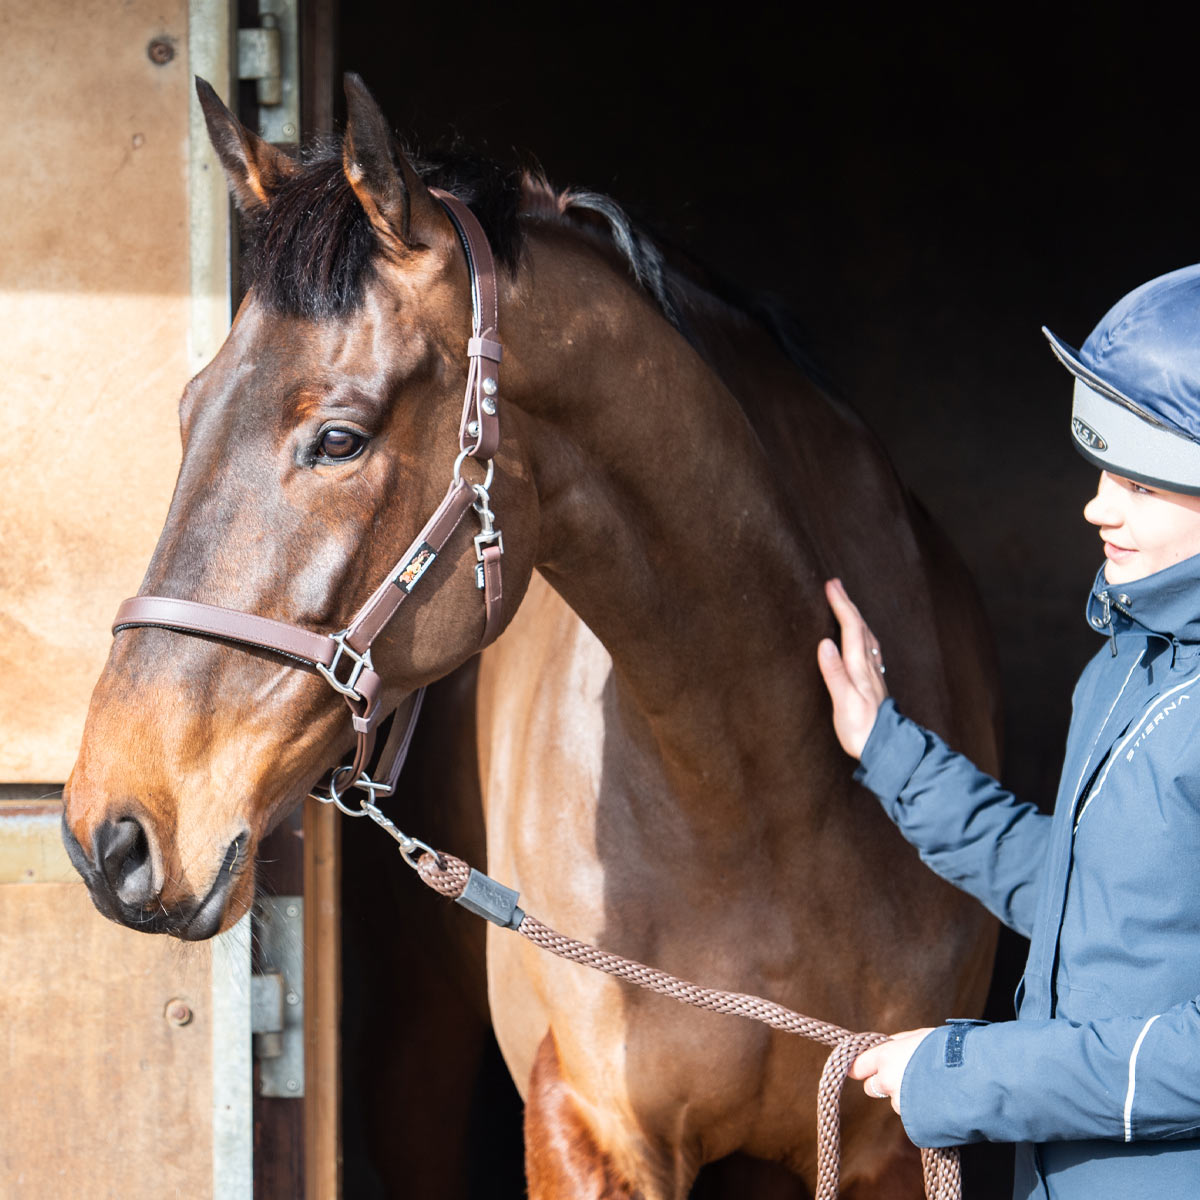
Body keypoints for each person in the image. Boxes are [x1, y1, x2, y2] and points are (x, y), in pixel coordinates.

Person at [817, 263, 1200, 1199]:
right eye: (1107, 471)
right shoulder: (1131, 661)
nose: (1098, 505)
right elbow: (1078, 900)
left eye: (1145, 487)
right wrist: (888, 748)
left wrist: (959, 1075)